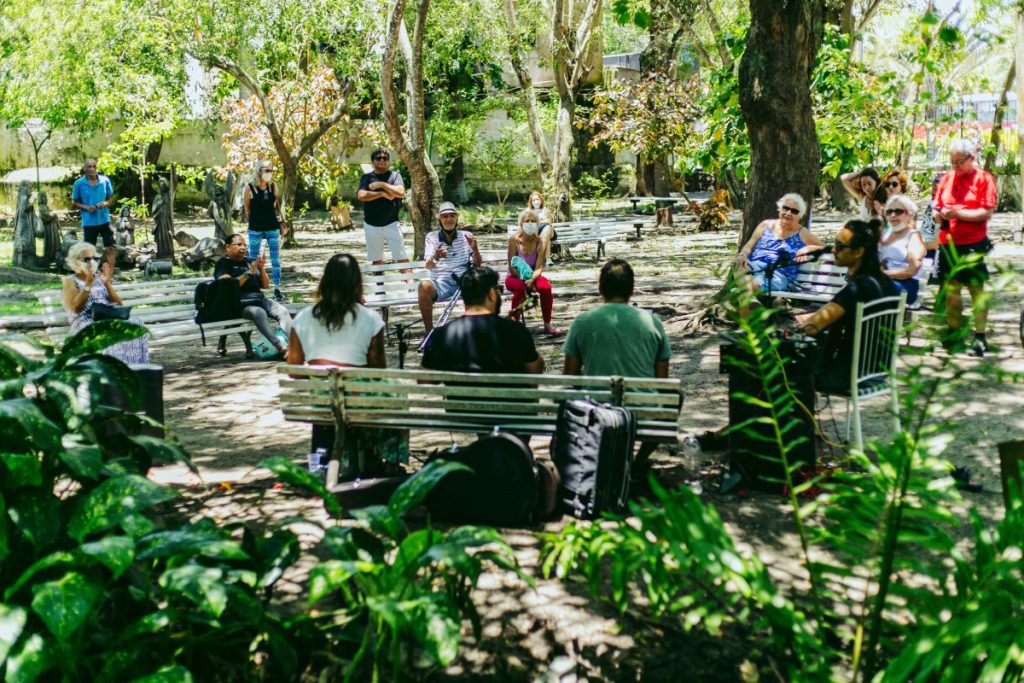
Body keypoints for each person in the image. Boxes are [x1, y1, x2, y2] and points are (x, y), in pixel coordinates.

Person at [287, 253, 407, 477]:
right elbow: (378, 369)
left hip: (322, 399)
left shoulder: (303, 318)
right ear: (357, 283)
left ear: (324, 281)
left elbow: (293, 368)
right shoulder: (370, 319)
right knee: (396, 392)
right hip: (359, 400)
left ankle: (329, 464)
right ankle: (390, 460)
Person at [563, 258, 671, 469]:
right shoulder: (652, 322)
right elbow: (662, 381)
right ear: (632, 289)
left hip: (596, 411)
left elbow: (570, 377)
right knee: (675, 396)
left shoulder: (582, 322)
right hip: (642, 413)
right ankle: (638, 463)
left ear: (600, 288)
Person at [799, 219, 900, 393]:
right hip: (877, 372)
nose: (833, 250)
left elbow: (810, 328)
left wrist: (793, 322)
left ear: (858, 251)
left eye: (839, 246)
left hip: (847, 376)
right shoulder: (886, 282)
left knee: (782, 369)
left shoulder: (857, 288)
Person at [933, 139, 997, 357]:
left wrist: (958, 213)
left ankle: (980, 338)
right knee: (951, 292)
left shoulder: (983, 179)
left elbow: (986, 212)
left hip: (972, 243)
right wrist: (938, 214)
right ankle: (954, 334)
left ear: (972, 158)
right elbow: (936, 205)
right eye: (952, 162)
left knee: (976, 290)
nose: (955, 166)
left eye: (960, 161)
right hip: (948, 243)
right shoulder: (946, 179)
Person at [421, 265, 544, 375]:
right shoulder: (517, 331)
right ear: (491, 294)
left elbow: (424, 380)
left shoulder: (440, 335)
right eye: (499, 289)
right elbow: (535, 370)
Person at [62, 241, 149, 364]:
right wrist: (87, 285)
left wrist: (107, 283)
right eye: (87, 259)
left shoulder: (98, 278)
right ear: (76, 262)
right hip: (84, 320)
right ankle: (111, 370)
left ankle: (134, 367)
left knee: (136, 323)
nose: (92, 262)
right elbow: (75, 308)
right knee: (105, 330)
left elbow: (119, 305)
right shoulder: (70, 281)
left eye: (95, 258)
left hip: (105, 316)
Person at [214, 233, 292, 359]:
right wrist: (249, 272)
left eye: (245, 245)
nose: (243, 247)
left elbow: (265, 285)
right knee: (259, 312)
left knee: (282, 311)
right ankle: (281, 348)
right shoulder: (223, 264)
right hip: (238, 304)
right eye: (239, 244)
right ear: (228, 247)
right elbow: (228, 287)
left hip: (258, 299)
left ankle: (297, 345)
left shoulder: (249, 261)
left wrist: (261, 269)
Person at [732, 193, 825, 296]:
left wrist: (808, 248)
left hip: (778, 273)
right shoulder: (765, 225)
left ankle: (747, 307)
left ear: (799, 216)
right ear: (780, 209)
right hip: (755, 266)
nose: (788, 213)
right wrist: (743, 255)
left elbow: (824, 247)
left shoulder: (802, 233)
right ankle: (750, 305)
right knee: (738, 266)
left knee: (750, 285)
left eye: (794, 211)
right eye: (786, 208)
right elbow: (749, 246)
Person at [418, 202, 482, 333]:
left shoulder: (466, 236)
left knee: (477, 285)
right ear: (440, 220)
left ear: (457, 218)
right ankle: (429, 333)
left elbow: (478, 264)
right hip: (441, 283)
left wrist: (474, 248)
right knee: (423, 287)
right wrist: (436, 256)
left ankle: (475, 331)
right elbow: (428, 265)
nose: (449, 219)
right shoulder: (432, 237)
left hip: (464, 283)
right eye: (445, 216)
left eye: (452, 216)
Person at [506, 209, 563, 336]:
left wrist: (531, 280)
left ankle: (547, 324)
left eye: (533, 221)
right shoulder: (513, 240)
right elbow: (511, 266)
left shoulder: (541, 241)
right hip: (514, 276)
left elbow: (539, 267)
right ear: (521, 223)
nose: (530, 223)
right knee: (520, 288)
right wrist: (523, 280)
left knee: (545, 287)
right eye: (527, 221)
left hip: (533, 276)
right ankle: (514, 325)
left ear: (538, 224)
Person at [356, 147, 409, 267]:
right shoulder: (366, 178)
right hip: (371, 224)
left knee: (401, 258)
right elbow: (361, 195)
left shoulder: (395, 176)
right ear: (373, 161)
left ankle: (409, 284)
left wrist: (382, 184)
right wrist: (382, 194)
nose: (382, 160)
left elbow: (400, 193)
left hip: (392, 223)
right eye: (378, 158)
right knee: (377, 260)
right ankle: (379, 285)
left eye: (385, 158)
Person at [242, 160, 285, 302]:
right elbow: (247, 208)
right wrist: (252, 221)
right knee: (254, 258)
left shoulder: (273, 186)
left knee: (275, 259)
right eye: (266, 170)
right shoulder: (250, 188)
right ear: (259, 170)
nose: (269, 173)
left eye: (271, 171)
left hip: (272, 227)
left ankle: (277, 288)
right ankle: (254, 287)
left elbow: (273, 204)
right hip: (255, 228)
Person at [879, 195, 926, 306]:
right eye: (889, 212)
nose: (893, 215)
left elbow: (911, 270)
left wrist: (882, 274)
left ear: (909, 215)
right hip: (883, 281)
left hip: (905, 285)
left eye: (898, 211)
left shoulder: (914, 237)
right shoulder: (884, 236)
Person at [70, 159, 116, 267]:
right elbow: (74, 202)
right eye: (89, 167)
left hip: (104, 219)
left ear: (96, 168)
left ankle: (110, 274)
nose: (92, 169)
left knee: (110, 248)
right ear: (85, 169)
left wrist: (105, 203)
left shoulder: (104, 181)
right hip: (89, 222)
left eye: (94, 166)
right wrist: (86, 207)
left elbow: (110, 199)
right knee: (89, 251)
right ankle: (90, 276)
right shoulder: (79, 183)